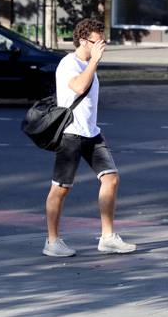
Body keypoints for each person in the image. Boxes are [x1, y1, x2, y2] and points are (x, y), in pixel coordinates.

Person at [43, 18, 136, 257]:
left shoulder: (87, 63)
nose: (101, 46)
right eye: (97, 42)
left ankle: (107, 238)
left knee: (111, 178)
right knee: (60, 189)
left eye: (102, 42)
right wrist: (94, 61)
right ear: (84, 41)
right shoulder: (68, 64)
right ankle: (52, 242)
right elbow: (78, 88)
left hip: (91, 132)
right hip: (71, 135)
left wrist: (93, 61)